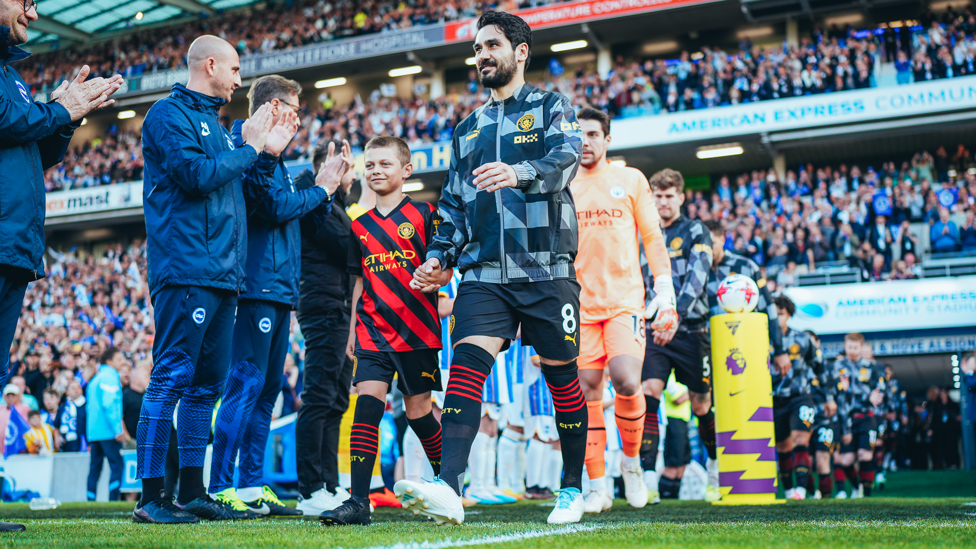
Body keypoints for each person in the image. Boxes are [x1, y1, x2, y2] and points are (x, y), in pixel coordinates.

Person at [405, 11, 586, 526]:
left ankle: (571, 488)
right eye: (477, 48)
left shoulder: (552, 107)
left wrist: (518, 171)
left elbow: (568, 157)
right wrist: (439, 257)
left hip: (547, 269)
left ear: (520, 51)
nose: (482, 55)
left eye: (491, 45)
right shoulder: (468, 129)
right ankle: (449, 487)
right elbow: (454, 206)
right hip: (484, 273)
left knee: (561, 378)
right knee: (465, 368)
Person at [134, 35, 281, 524]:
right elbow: (195, 176)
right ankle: (151, 498)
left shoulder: (219, 127)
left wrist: (267, 153)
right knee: (171, 378)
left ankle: (194, 492)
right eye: (236, 69)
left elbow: (245, 192)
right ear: (211, 65)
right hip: (186, 269)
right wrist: (250, 147)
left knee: (205, 390)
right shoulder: (166, 115)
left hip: (223, 275)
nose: (241, 80)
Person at [1, 0, 123, 532]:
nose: (32, 9)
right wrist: (56, 108)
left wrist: (66, 117)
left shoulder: (12, 75)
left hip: (14, 245)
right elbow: (7, 122)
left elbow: (33, 149)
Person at [208, 75, 350, 517]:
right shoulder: (246, 148)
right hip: (253, 286)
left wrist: (326, 192)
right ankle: (218, 486)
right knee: (245, 384)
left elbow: (302, 223)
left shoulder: (282, 164)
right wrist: (320, 190)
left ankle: (250, 486)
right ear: (271, 107)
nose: (299, 115)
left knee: (267, 390)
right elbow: (271, 208)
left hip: (279, 289)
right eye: (293, 106)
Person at [319, 137, 447, 526]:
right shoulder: (358, 226)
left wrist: (437, 275)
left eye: (385, 164)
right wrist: (352, 330)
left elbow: (445, 269)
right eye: (370, 164)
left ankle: (449, 483)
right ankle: (359, 501)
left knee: (419, 411)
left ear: (406, 171)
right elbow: (358, 282)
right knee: (367, 405)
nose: (376, 171)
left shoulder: (427, 215)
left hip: (416, 332)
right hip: (373, 329)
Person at [570, 107, 676, 513]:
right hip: (578, 305)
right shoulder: (562, 184)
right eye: (579, 135)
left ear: (607, 140)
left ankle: (630, 462)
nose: (586, 141)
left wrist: (663, 290)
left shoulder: (629, 179)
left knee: (627, 380)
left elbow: (651, 236)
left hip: (625, 301)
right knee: (587, 392)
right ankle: (598, 485)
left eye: (594, 134)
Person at [639, 169, 718, 502]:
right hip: (656, 331)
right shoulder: (643, 232)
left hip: (690, 329)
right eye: (657, 196)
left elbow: (697, 279)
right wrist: (654, 317)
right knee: (647, 394)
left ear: (681, 198)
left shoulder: (695, 230)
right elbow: (639, 282)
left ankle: (714, 468)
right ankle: (647, 477)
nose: (663, 202)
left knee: (701, 405)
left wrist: (674, 315)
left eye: (669, 196)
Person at [294, 141, 360, 515]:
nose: (354, 174)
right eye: (347, 167)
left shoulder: (335, 207)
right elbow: (348, 248)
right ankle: (309, 489)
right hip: (323, 309)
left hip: (340, 311)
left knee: (335, 399)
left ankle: (329, 484)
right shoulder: (316, 202)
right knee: (319, 397)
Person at [770, 297, 820, 499]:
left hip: (801, 397)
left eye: (780, 314)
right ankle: (790, 490)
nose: (776, 318)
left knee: (801, 439)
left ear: (789, 315)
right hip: (774, 400)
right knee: (783, 447)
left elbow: (820, 366)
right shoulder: (760, 339)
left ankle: (800, 490)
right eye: (773, 314)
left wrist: (829, 398)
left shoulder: (802, 339)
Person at [832, 333, 885, 498]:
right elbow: (834, 394)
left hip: (867, 417)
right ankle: (857, 488)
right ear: (845, 346)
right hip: (846, 419)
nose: (852, 350)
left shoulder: (872, 367)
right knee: (845, 460)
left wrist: (875, 396)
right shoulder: (837, 367)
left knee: (864, 455)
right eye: (849, 347)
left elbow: (880, 390)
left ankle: (867, 497)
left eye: (856, 347)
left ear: (861, 347)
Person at [86, 347, 128, 502]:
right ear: (109, 361)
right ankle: (113, 500)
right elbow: (109, 404)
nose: (122, 362)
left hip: (94, 432)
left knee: (95, 469)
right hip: (108, 432)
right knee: (117, 465)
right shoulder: (110, 378)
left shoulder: (95, 379)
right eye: (119, 359)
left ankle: (90, 501)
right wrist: (118, 429)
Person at [659, 373, 691, 499]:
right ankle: (664, 495)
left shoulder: (682, 377)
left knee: (683, 462)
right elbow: (678, 399)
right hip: (673, 421)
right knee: (673, 462)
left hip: (684, 421)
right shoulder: (668, 375)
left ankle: (674, 495)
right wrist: (696, 392)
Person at [55, 380, 86, 452]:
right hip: (66, 444)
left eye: (78, 387)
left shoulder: (86, 406)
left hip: (82, 443)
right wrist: (57, 438)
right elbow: (56, 426)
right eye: (73, 388)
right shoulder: (63, 407)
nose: (76, 390)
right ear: (67, 392)